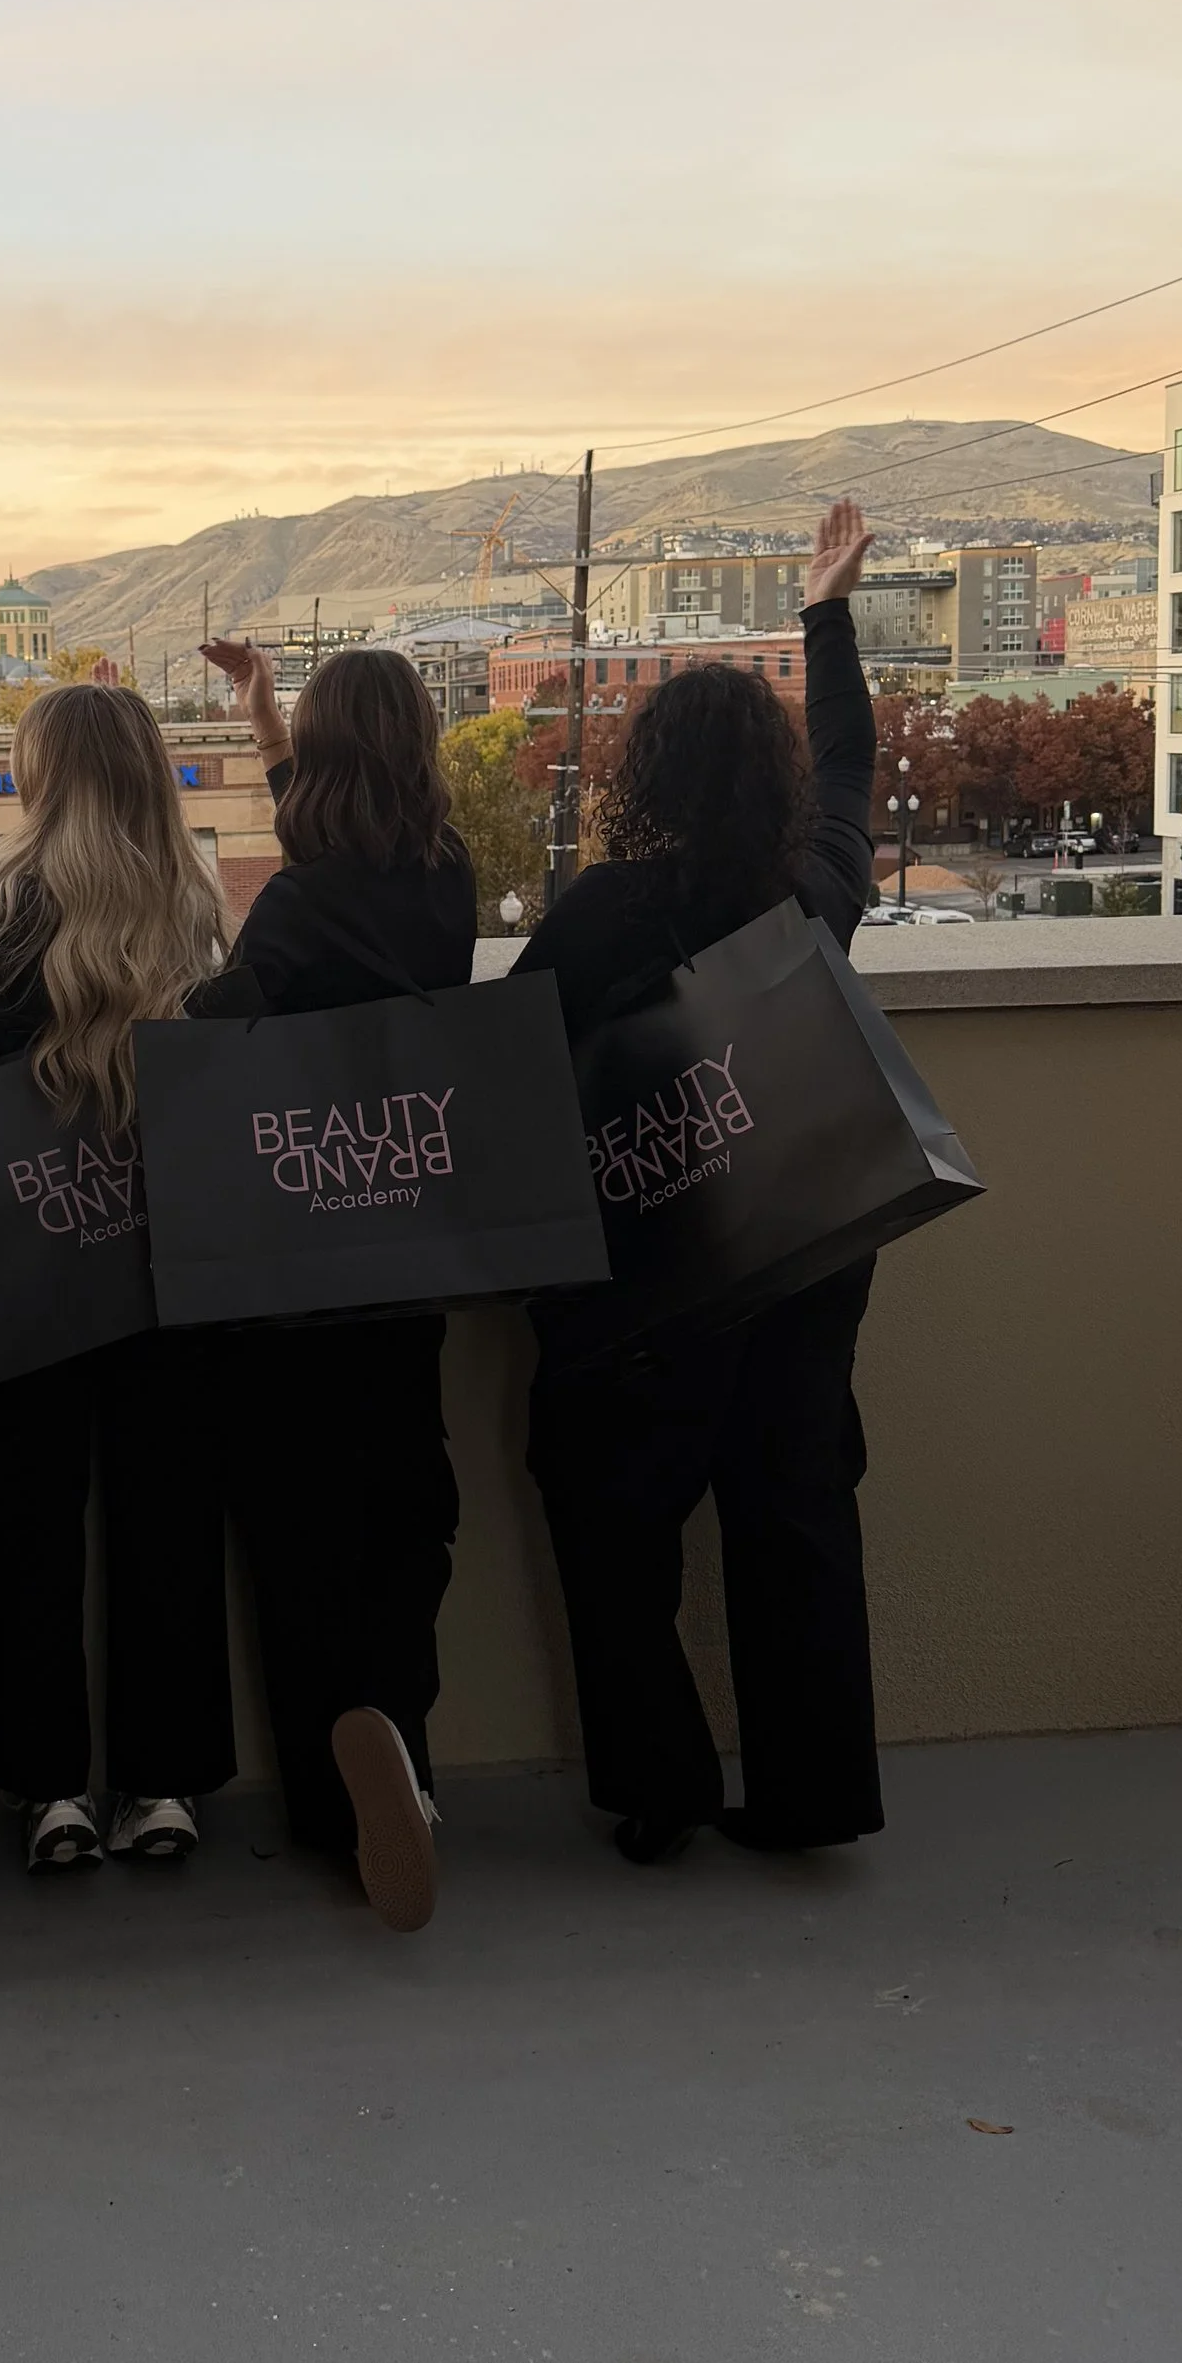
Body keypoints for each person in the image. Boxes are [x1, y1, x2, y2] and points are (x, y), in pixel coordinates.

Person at [515, 496, 882, 1867]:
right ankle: (812, 1796)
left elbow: (519, 1080)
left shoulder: (601, 915)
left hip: (649, 1283)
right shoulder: (818, 888)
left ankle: (657, 1784)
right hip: (806, 1247)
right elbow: (848, 767)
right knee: (794, 1505)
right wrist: (826, 613)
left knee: (612, 1520)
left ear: (647, 781)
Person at [0, 679, 235, 1874]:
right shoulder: (193, 919)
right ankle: (166, 1784)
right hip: (170, 1261)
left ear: (42, 784)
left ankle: (50, 1789)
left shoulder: (8, 927)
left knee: (32, 1526)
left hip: (37, 1272)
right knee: (169, 1521)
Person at [195, 638, 478, 1934]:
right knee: (403, 1506)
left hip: (290, 1260)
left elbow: (223, 1024)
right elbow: (342, 867)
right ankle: (401, 1744)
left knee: (296, 1525)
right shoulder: (445, 887)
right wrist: (267, 720)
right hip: (408, 1247)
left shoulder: (295, 915)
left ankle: (331, 1795)